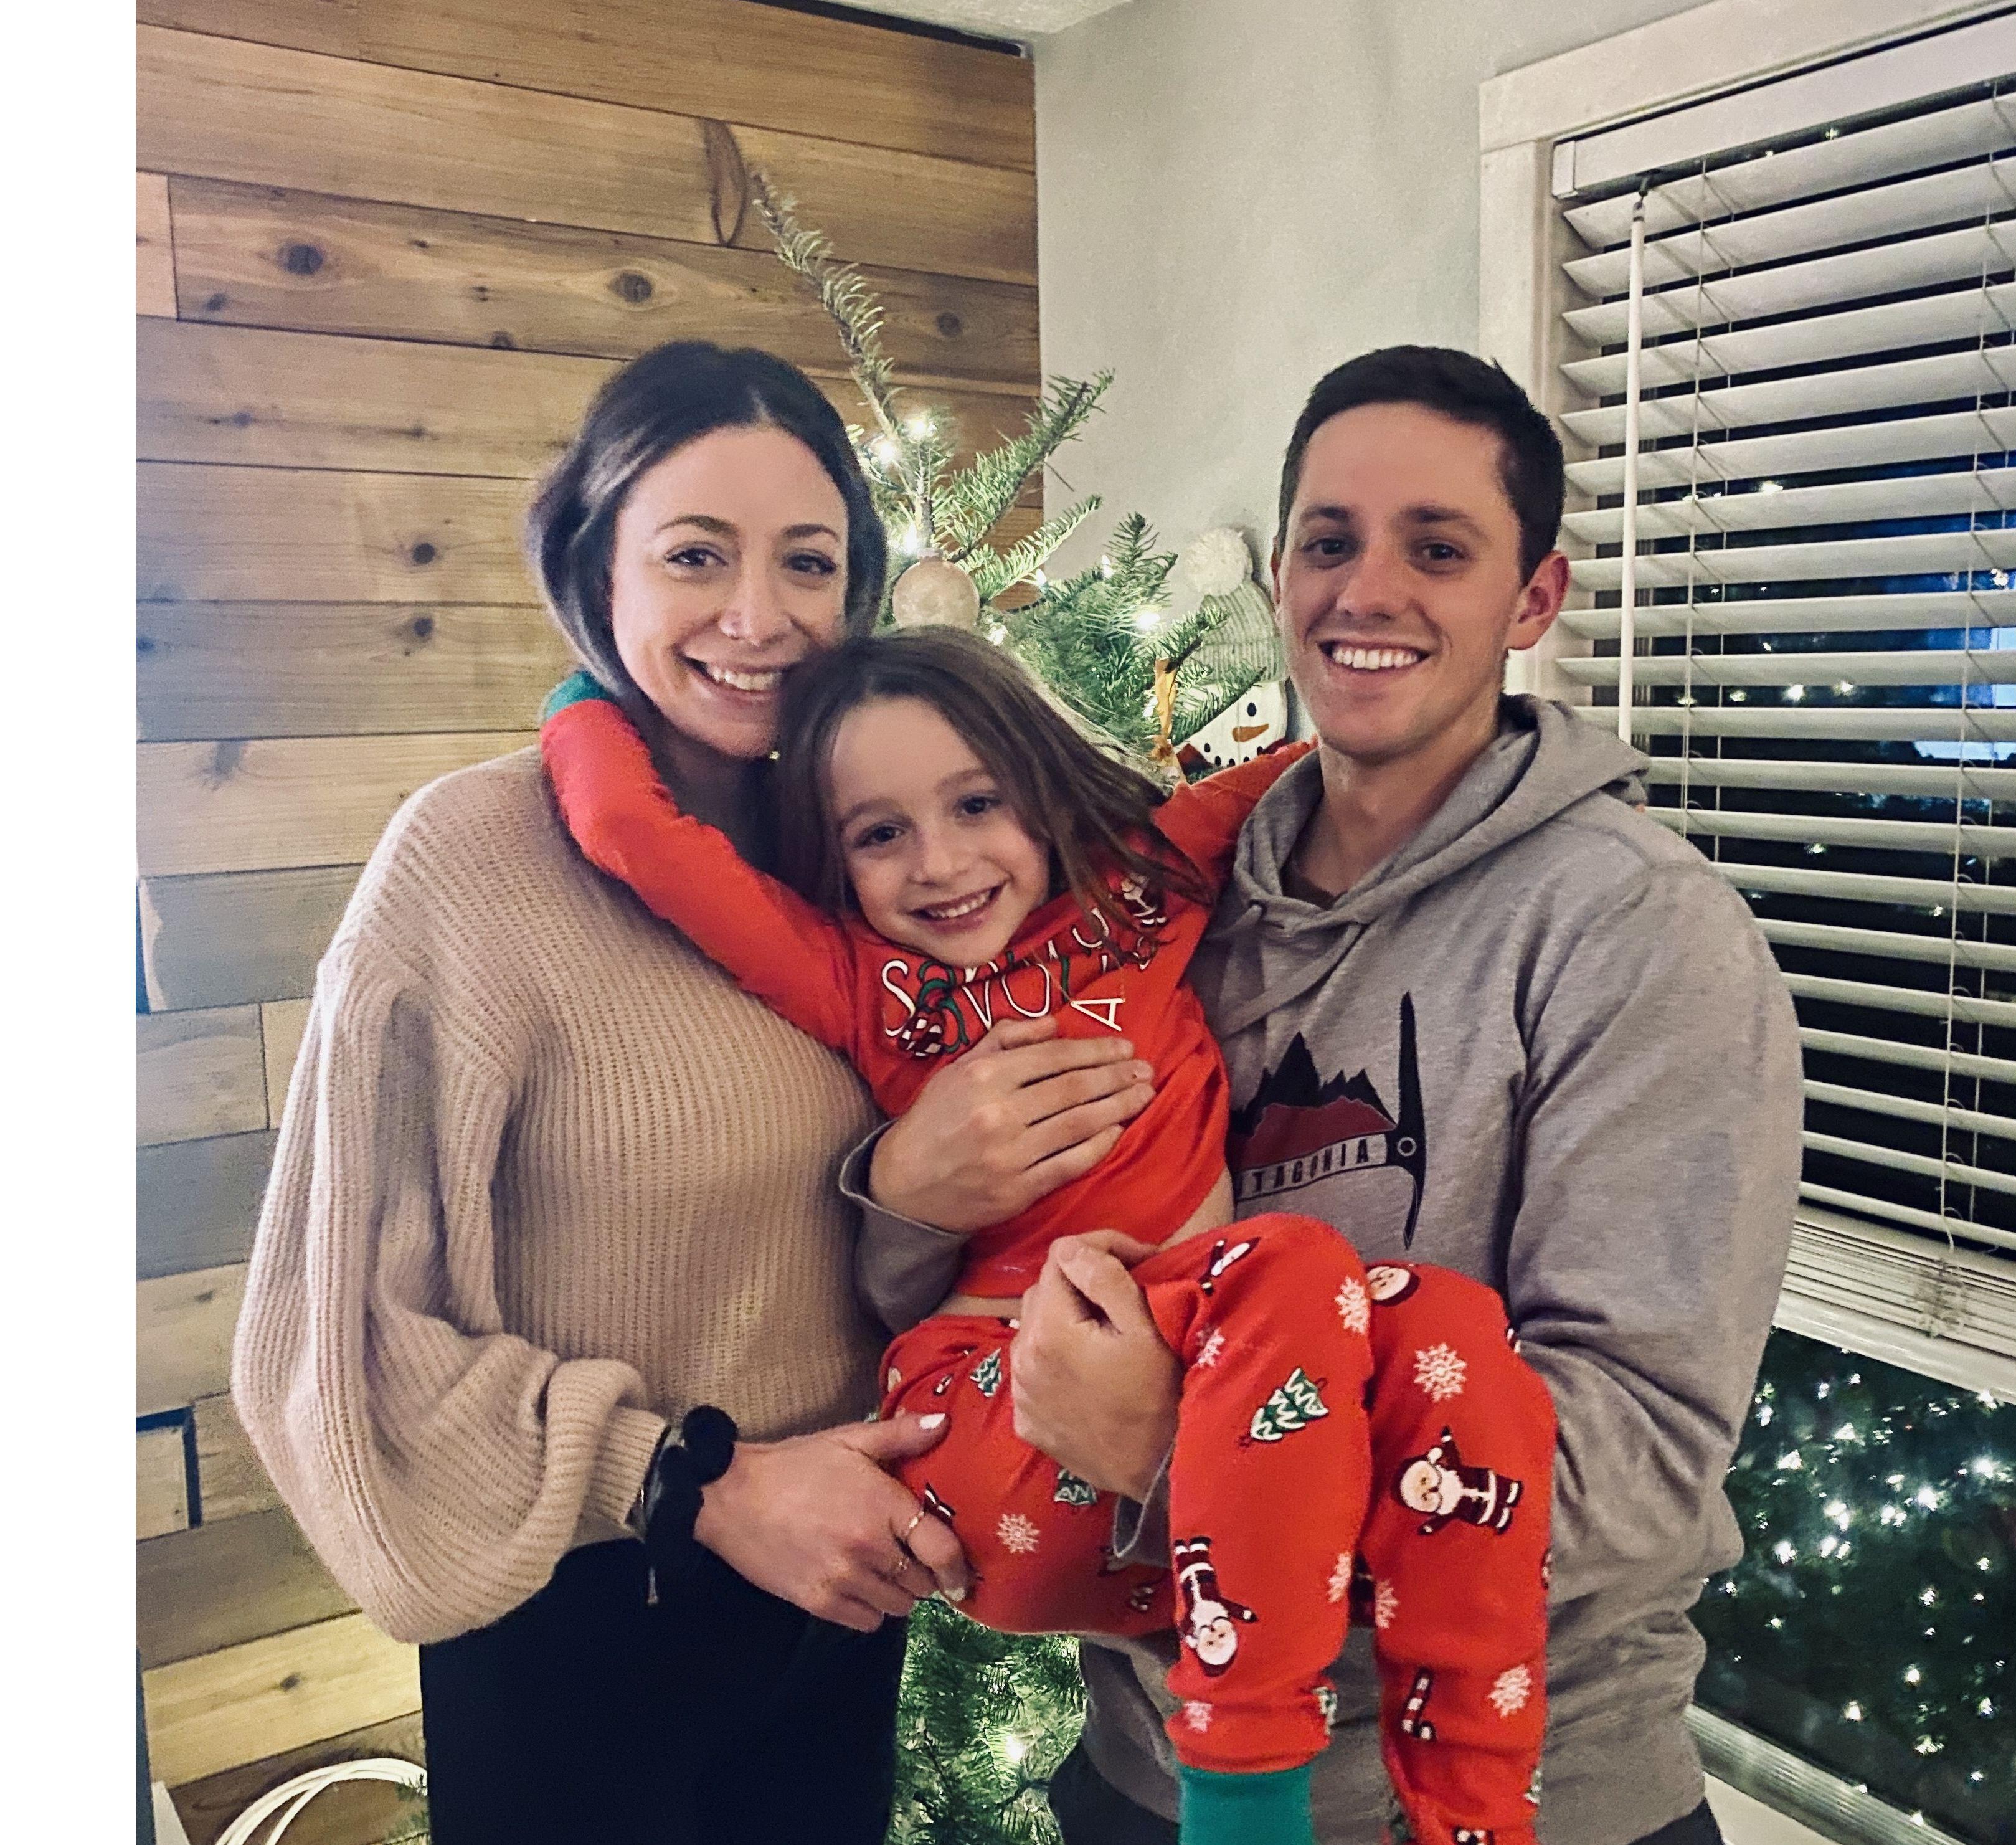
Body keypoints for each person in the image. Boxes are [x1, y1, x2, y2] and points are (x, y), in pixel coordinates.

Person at [850, 346, 1806, 1845]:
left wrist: (1187, 1456)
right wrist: (905, 1196)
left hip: (1512, 1797)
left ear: (1533, 600)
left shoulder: (1638, 932)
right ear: (1282, 575)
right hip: (1143, 1770)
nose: (1369, 591)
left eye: (1437, 548)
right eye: (1328, 540)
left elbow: (1639, 1462)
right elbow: (980, 1263)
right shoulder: (1150, 910)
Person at [229, 341, 1156, 1845]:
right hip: (587, 1616)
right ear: (595, 571)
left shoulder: (881, 854)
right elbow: (329, 1346)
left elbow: (894, 1236)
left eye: (808, 561)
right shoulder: (468, 862)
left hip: (842, 1603)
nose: (757, 615)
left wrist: (921, 1204)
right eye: (694, 555)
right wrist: (694, 1482)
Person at [539, 626, 1556, 1845]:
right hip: (991, 1423)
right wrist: (586, 689)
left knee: (1451, 1336)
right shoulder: (851, 976)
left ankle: (1474, 1814)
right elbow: (635, 834)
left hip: (1204, 1422)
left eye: (978, 803)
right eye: (878, 833)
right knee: (1292, 1268)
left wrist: (1497, 737)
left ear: (1044, 788)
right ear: (833, 859)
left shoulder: (1139, 882)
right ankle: (1245, 1803)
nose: (941, 861)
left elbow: (1335, 753)